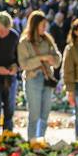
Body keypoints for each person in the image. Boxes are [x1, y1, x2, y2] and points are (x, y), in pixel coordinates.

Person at [17, 9, 59, 141]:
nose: (45, 28)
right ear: (35, 25)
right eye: (43, 25)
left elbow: (57, 57)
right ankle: (32, 140)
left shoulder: (47, 40)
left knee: (45, 113)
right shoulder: (24, 42)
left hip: (47, 78)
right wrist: (42, 58)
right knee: (34, 113)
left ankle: (41, 139)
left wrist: (53, 60)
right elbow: (24, 64)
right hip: (33, 78)